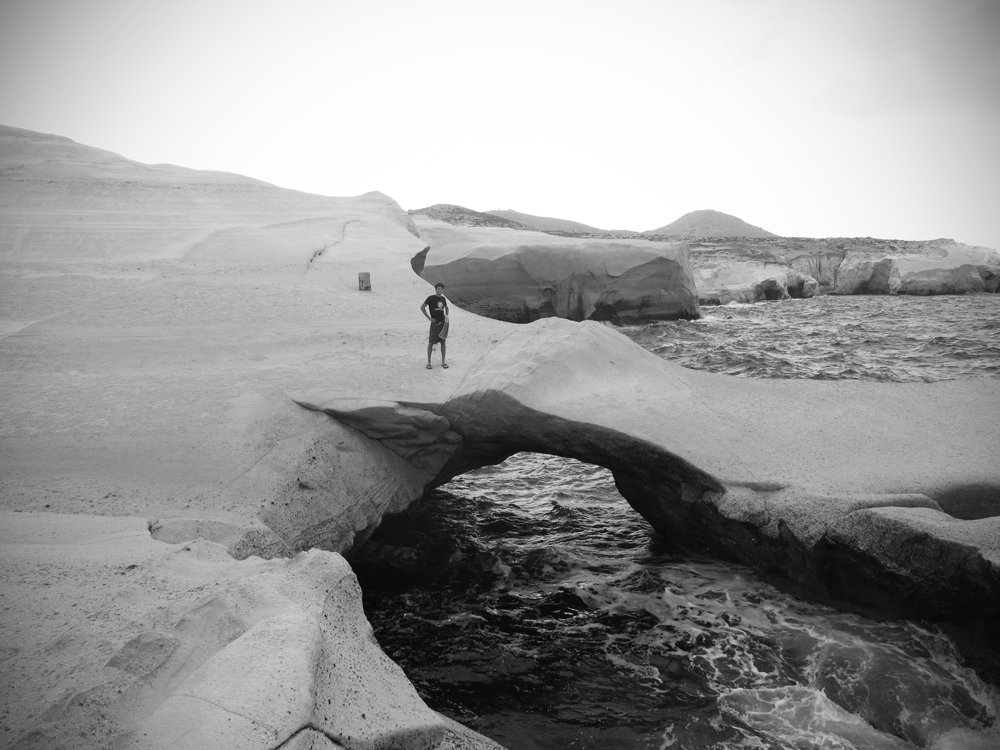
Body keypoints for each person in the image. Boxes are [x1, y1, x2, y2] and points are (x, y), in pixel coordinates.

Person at [420, 283, 450, 369]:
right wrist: (429, 318)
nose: (440, 290)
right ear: (435, 289)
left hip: (443, 324)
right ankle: (429, 362)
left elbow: (446, 308)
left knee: (443, 342)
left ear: (442, 290)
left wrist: (446, 317)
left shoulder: (443, 298)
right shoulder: (431, 298)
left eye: (441, 289)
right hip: (434, 323)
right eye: (438, 289)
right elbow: (422, 307)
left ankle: (443, 362)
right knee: (431, 343)